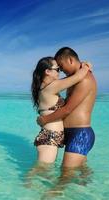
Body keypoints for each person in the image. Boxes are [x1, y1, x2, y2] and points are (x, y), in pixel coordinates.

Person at [37, 47, 97, 197]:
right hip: (72, 133)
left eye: (62, 67)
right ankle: (89, 194)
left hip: (80, 134)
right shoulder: (77, 77)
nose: (62, 71)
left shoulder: (85, 79)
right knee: (82, 174)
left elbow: (67, 109)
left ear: (70, 60)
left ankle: (46, 197)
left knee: (64, 177)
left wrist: (45, 119)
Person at [24, 56, 91, 186]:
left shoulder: (47, 87)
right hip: (50, 137)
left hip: (52, 136)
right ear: (47, 72)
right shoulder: (52, 87)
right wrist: (86, 66)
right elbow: (78, 77)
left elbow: (72, 78)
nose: (59, 71)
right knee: (40, 170)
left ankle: (28, 188)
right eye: (57, 69)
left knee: (42, 170)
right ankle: (24, 190)